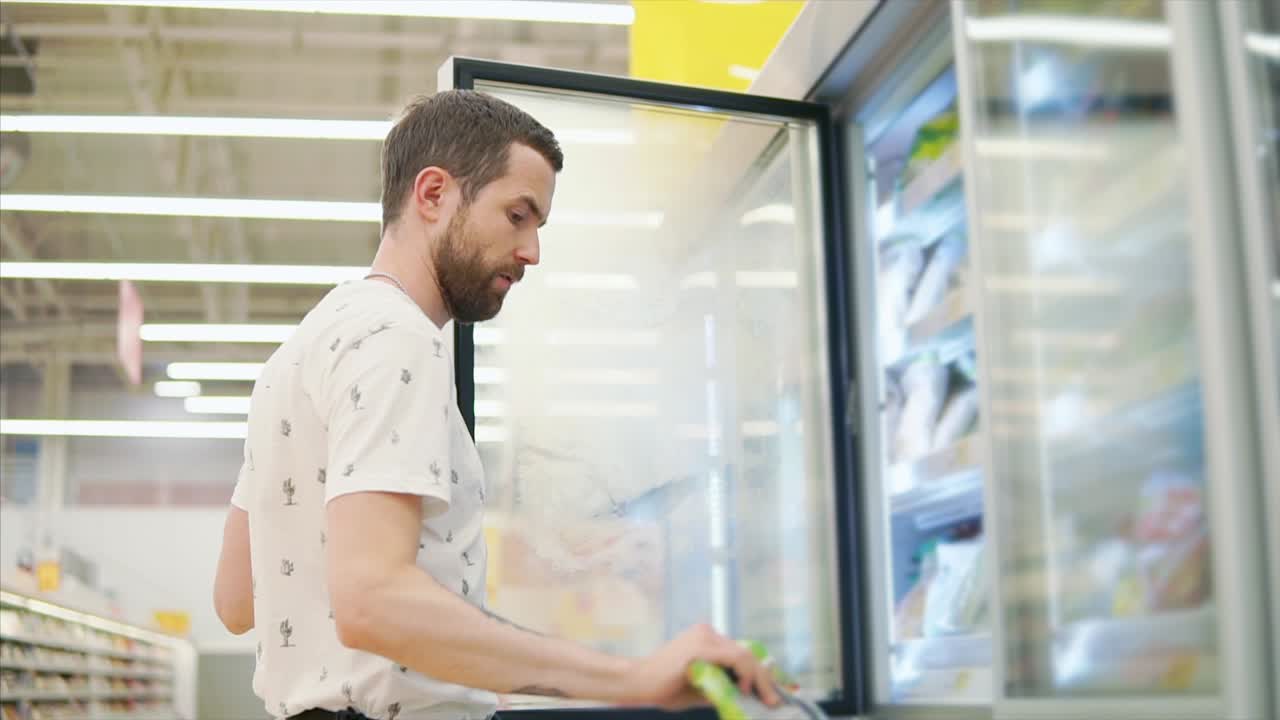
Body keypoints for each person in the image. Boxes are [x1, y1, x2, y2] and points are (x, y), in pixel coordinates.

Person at [212, 90, 781, 720]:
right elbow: (373, 600)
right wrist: (635, 676)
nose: (532, 250)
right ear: (433, 195)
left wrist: (472, 657)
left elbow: (237, 600)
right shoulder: (398, 340)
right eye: (518, 215)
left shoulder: (301, 351)